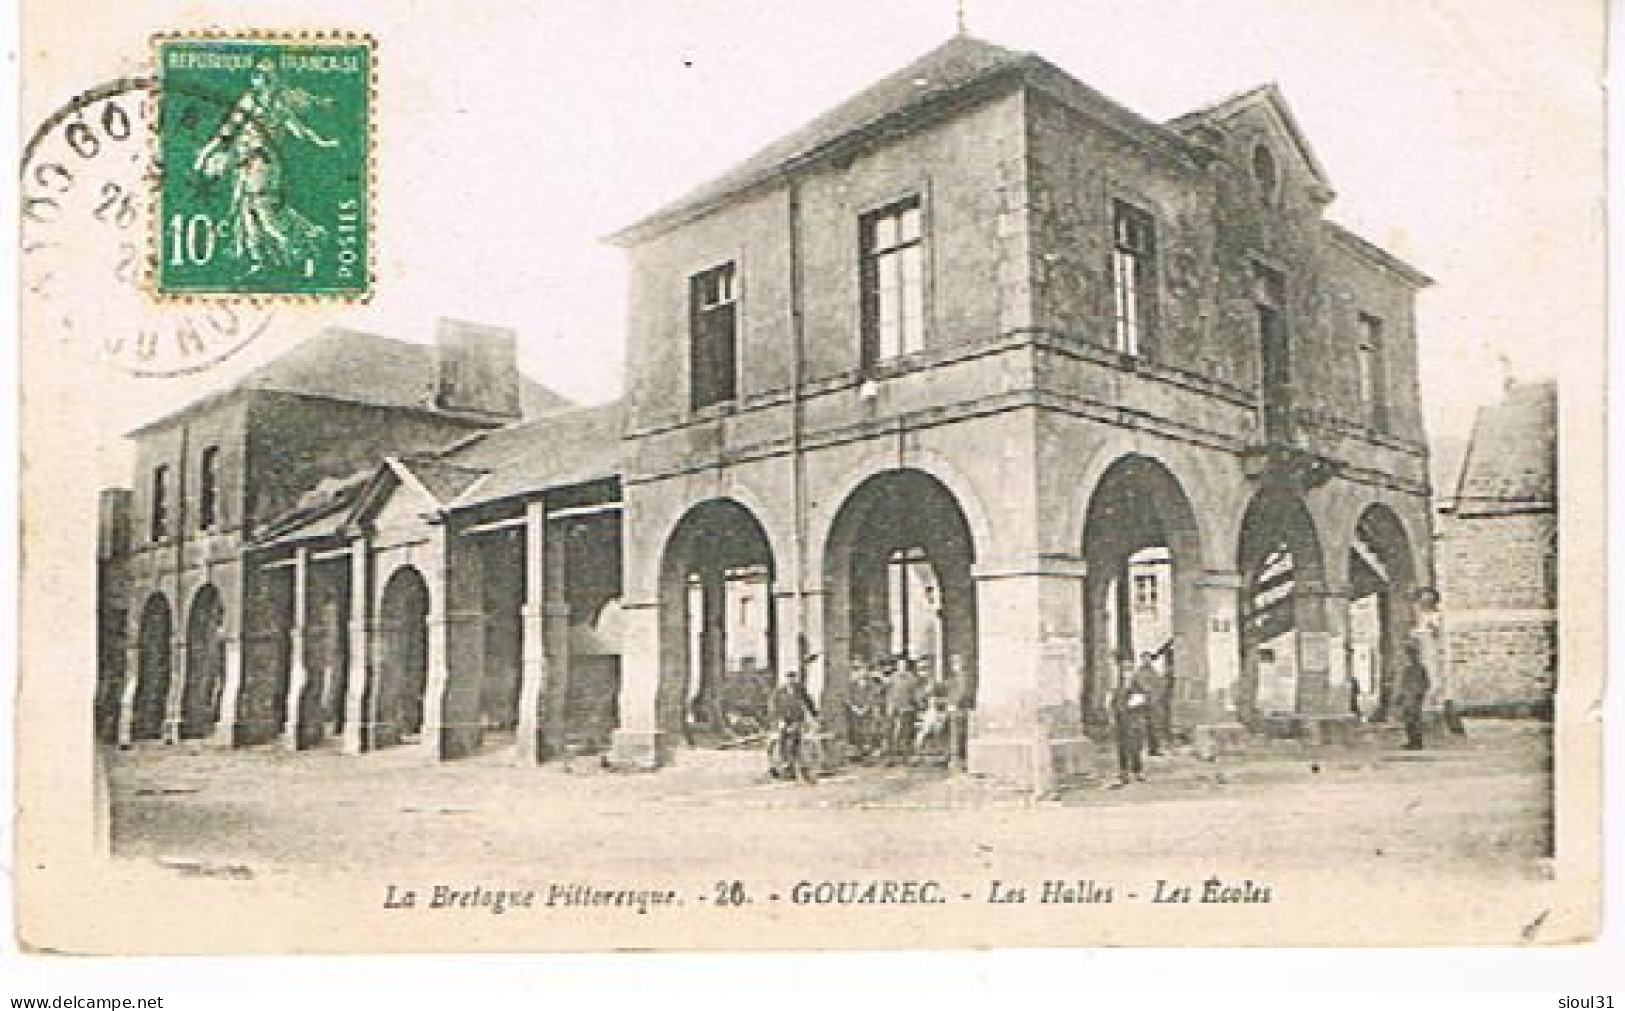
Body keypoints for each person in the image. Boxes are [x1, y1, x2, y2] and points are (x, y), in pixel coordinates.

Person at [767, 670, 820, 784]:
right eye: (789, 678)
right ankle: (784, 760)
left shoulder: (800, 689)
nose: (791, 680)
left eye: (793, 677)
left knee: (797, 740)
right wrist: (779, 719)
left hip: (797, 719)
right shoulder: (779, 692)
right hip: (784, 719)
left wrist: (815, 715)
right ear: (786, 679)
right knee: (782, 737)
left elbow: (809, 702)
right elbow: (774, 706)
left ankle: (799, 765)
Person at [1111, 669, 1152, 785]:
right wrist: (1115, 712)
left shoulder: (1138, 689)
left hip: (1134, 723)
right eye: (1124, 673)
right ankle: (1124, 772)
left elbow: (1144, 705)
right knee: (1122, 748)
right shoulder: (1118, 689)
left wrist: (1138, 707)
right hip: (1121, 724)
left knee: (1136, 748)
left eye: (1129, 673)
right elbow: (1114, 703)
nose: (1126, 676)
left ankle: (1138, 771)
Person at [1397, 641, 1431, 750]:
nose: (1411, 657)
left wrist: (1420, 693)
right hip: (1407, 698)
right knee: (1408, 721)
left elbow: (1426, 683)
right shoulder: (1407, 670)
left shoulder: (1421, 669)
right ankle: (1411, 741)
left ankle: (1417, 742)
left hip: (1416, 698)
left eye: (1412, 654)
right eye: (1409, 655)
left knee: (1415, 720)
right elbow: (1403, 684)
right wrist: (1400, 696)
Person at [1133, 653, 1165, 756]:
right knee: (1141, 726)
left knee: (1155, 726)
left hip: (1154, 703)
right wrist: (1148, 692)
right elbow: (1142, 686)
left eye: (1149, 658)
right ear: (1142, 659)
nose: (1147, 660)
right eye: (1145, 658)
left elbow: (1160, 685)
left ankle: (1154, 749)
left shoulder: (1154, 672)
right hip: (1143, 703)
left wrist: (1157, 696)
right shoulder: (1139, 673)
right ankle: (1139, 749)